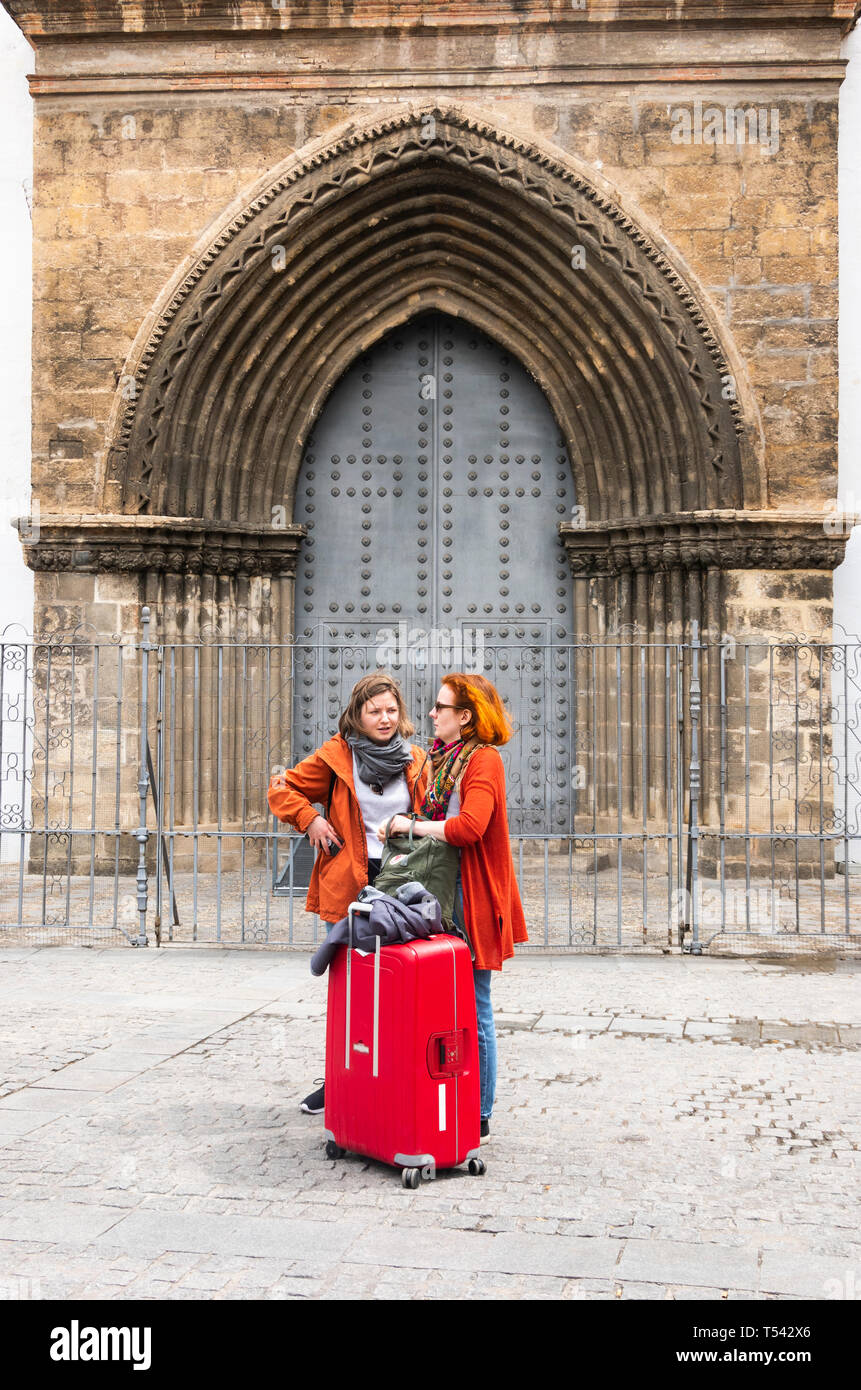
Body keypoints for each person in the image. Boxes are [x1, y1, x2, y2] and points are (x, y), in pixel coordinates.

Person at [267, 672, 429, 1114]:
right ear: (357, 715)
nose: (384, 719)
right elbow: (282, 788)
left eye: (391, 711)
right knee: (349, 986)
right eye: (375, 711)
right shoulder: (337, 755)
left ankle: (391, 1077)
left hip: (400, 879)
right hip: (349, 881)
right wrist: (311, 820)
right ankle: (339, 1081)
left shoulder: (415, 758)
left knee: (399, 982)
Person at [379, 672, 527, 1138]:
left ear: (464, 717)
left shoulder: (483, 761)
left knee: (475, 1003)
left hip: (472, 893)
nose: (430, 713)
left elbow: (468, 829)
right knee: (440, 1000)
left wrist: (415, 827)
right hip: (440, 888)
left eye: (440, 707)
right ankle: (439, 1096)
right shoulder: (441, 760)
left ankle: (479, 1113)